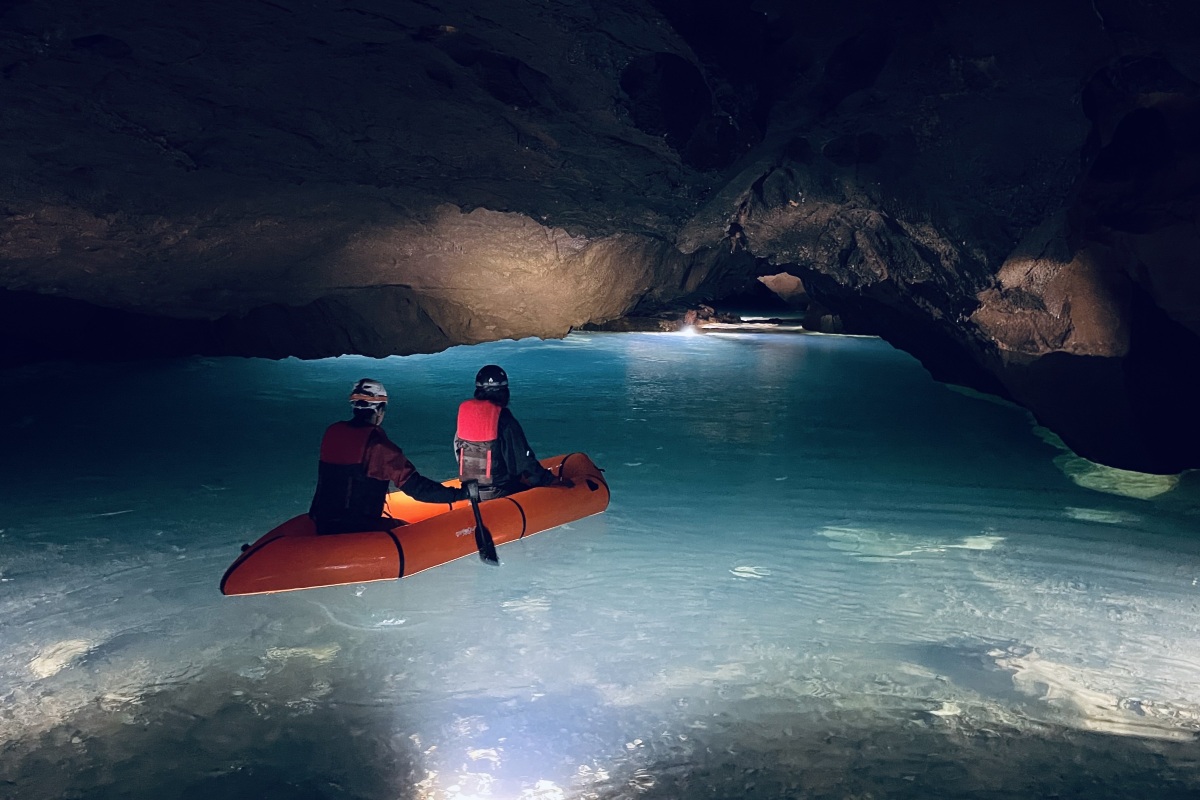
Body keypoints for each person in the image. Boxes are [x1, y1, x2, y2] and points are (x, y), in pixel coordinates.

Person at [309, 378, 467, 535]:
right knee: (408, 530)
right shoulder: (379, 447)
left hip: (322, 523)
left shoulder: (332, 432)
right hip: (356, 529)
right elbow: (418, 489)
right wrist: (461, 494)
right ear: (379, 410)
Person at [454, 364, 572, 500]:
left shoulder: (466, 416)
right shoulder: (503, 419)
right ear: (505, 393)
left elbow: (458, 452)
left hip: (471, 491)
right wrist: (548, 481)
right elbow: (523, 459)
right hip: (501, 491)